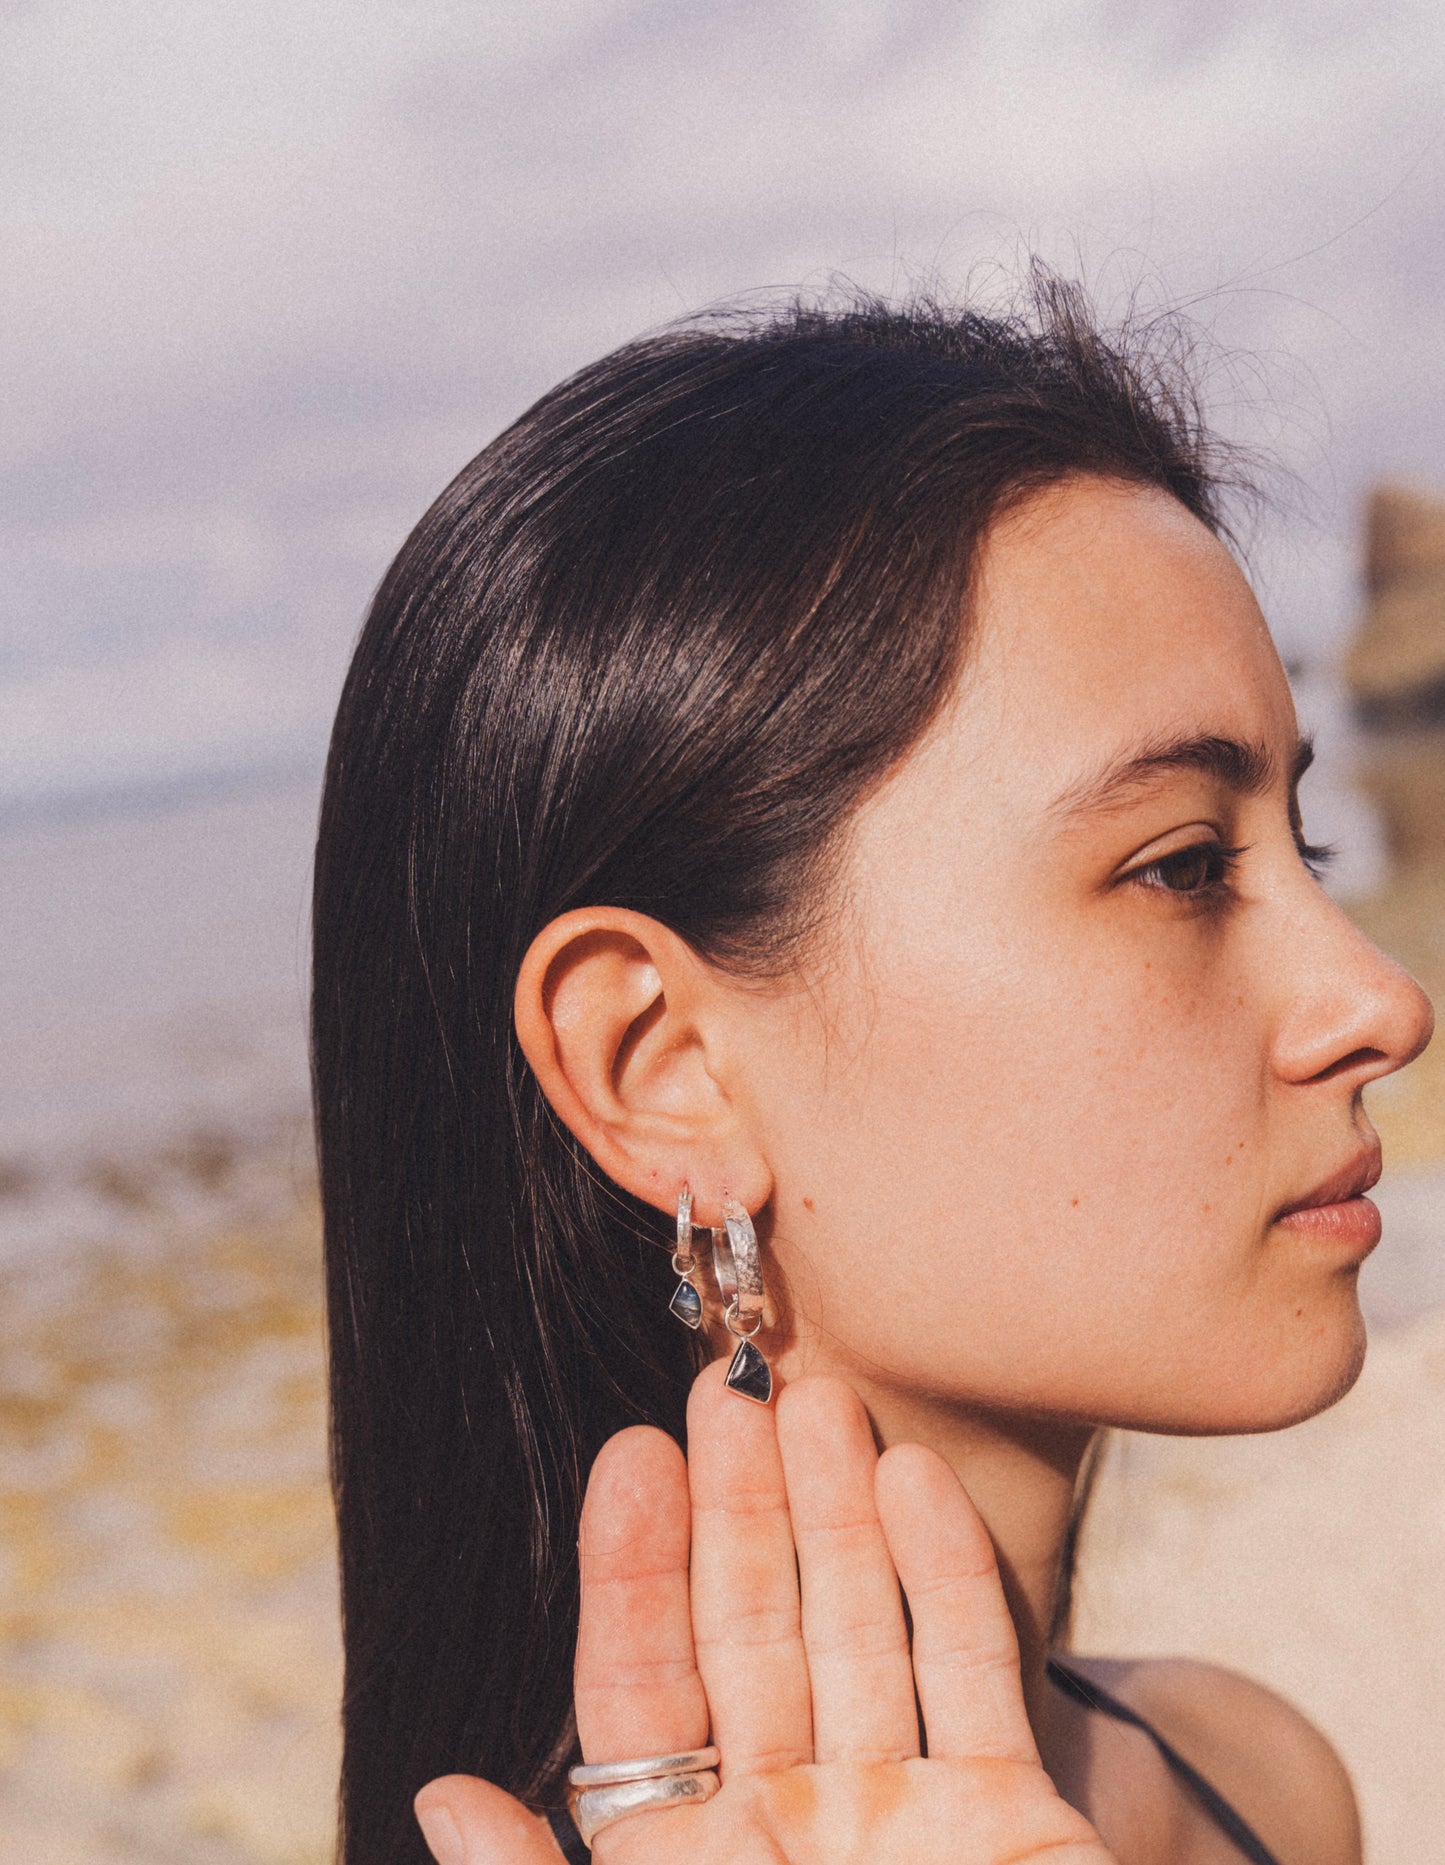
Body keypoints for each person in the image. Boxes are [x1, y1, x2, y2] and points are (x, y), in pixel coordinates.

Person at [310, 276, 1433, 1865]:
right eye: (1183, 866)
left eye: (1301, 842)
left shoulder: (1248, 1774)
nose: (1377, 999)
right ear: (662, 1063)